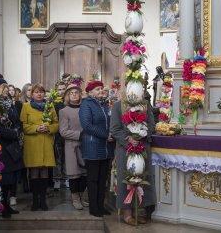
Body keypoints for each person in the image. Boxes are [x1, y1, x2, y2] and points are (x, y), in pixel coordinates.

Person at [110, 98, 157, 226]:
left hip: (143, 147)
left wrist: (143, 134)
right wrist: (128, 140)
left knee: (142, 177)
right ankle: (127, 213)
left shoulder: (146, 105)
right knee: (126, 178)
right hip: (125, 149)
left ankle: (139, 211)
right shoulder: (117, 105)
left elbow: (152, 124)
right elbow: (114, 129)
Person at [0, 79, 24, 218]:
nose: (7, 89)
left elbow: (17, 120)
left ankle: (6, 205)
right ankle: (1, 206)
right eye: (3, 87)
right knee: (4, 179)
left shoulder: (9, 104)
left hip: (12, 146)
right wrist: (13, 133)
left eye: (7, 87)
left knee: (11, 180)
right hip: (0, 146)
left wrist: (18, 129)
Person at [20, 83, 59, 211]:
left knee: (44, 172)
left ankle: (43, 201)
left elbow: (56, 124)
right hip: (32, 143)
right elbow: (24, 126)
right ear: (31, 94)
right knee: (34, 172)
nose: (39, 94)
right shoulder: (26, 107)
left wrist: (48, 128)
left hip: (46, 142)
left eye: (41, 92)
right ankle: (35, 201)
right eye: (36, 92)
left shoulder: (50, 106)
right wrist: (36, 128)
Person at [79, 80, 114, 217]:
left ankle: (100, 205)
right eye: (97, 89)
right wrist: (106, 135)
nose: (101, 91)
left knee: (103, 179)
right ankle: (94, 208)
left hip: (106, 148)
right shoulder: (86, 105)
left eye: (101, 89)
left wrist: (112, 134)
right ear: (90, 92)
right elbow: (87, 125)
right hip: (93, 146)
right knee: (93, 179)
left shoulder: (105, 105)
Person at [59, 84, 88, 210]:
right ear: (67, 96)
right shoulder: (64, 111)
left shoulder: (86, 109)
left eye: (76, 92)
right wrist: (80, 134)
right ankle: (75, 198)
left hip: (87, 145)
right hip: (72, 146)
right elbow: (63, 131)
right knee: (74, 174)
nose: (74, 94)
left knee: (85, 174)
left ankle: (82, 197)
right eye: (71, 93)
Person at [52, 81, 67, 191]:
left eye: (63, 89)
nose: (61, 91)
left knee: (68, 157)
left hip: (67, 133)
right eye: (59, 89)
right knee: (58, 158)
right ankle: (57, 179)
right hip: (57, 134)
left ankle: (66, 178)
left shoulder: (68, 101)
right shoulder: (53, 103)